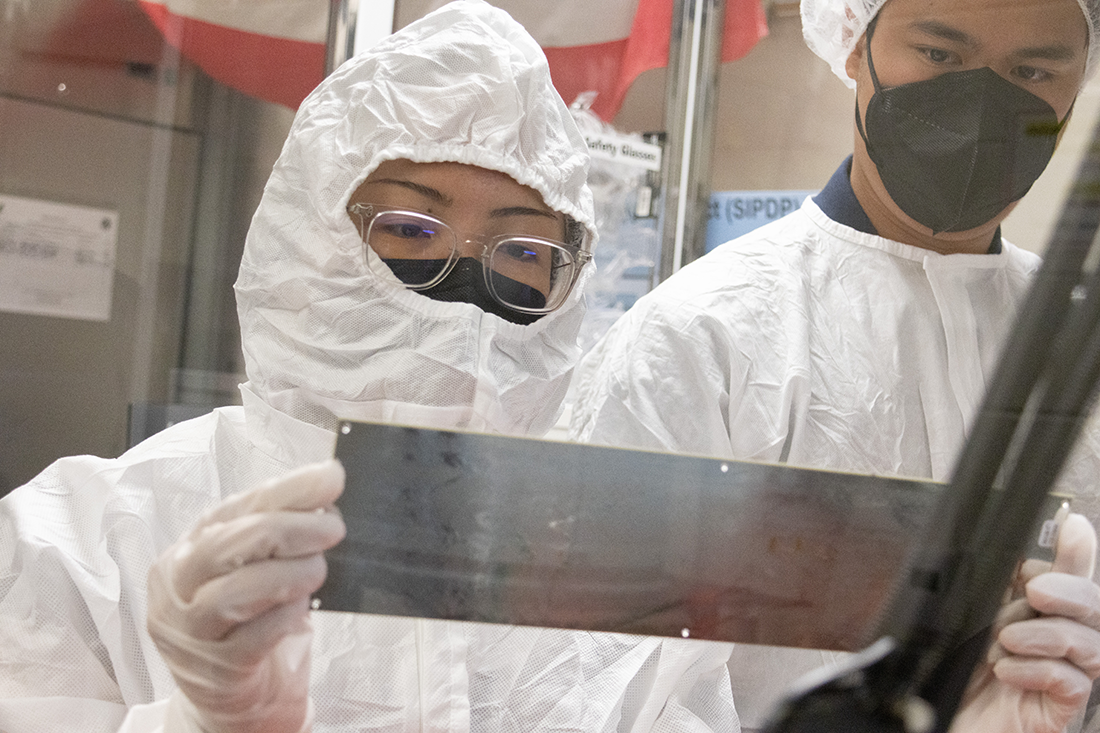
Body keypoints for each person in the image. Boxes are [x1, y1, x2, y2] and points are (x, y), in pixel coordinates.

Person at [0, 3, 737, 732]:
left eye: (522, 250)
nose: (467, 286)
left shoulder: (625, 572)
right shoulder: (85, 542)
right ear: (308, 238)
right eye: (411, 228)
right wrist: (193, 723)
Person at [570, 0, 1100, 731]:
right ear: (855, 45)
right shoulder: (704, 335)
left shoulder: (1081, 347)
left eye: (1033, 70)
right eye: (941, 54)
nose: (985, 95)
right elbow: (598, 680)